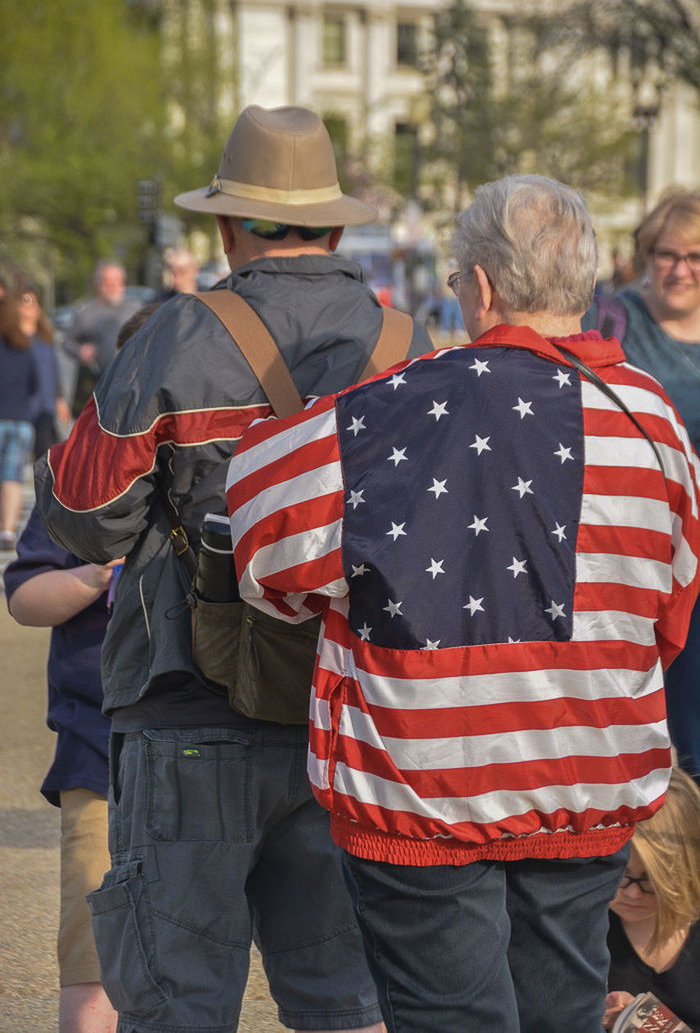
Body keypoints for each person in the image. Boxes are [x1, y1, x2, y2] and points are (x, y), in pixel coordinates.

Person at [225, 173, 700, 1033]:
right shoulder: (656, 427)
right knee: (561, 1009)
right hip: (586, 785)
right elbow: (670, 613)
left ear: (478, 286)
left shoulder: (392, 412)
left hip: (424, 797)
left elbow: (259, 533)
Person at [35, 103, 432, 1033]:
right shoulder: (410, 348)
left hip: (188, 702)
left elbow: (86, 519)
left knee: (178, 1005)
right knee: (351, 1007)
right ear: (336, 224)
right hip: (352, 721)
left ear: (225, 223)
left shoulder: (178, 335)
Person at [583, 190, 700, 782]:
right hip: (637, 559)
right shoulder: (612, 322)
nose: (679, 270)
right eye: (665, 254)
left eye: (695, 256)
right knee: (639, 728)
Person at [4, 505, 120, 1033]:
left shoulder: (251, 443)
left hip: (232, 736)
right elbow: (26, 599)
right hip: (98, 745)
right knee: (93, 951)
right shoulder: (79, 478)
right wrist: (92, 575)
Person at [603, 767, 700, 1032]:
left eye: (650, 880)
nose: (632, 893)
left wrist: (651, 1024)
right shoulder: (587, 932)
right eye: (621, 875)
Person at [64, 260, 141, 415]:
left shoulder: (135, 310)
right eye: (108, 281)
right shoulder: (86, 314)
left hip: (130, 386)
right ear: (98, 284)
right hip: (96, 386)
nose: (113, 286)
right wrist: (80, 351)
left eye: (117, 281)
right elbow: (67, 342)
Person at [0, 285, 39, 549]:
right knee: (12, 477)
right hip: (21, 421)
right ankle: (8, 531)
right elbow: (35, 384)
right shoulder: (25, 348)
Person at [18, 284, 72, 457]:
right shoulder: (11, 339)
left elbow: (53, 369)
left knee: (44, 455)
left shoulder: (45, 337)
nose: (31, 306)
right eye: (26, 301)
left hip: (45, 405)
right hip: (20, 406)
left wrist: (60, 399)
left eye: (35, 302)